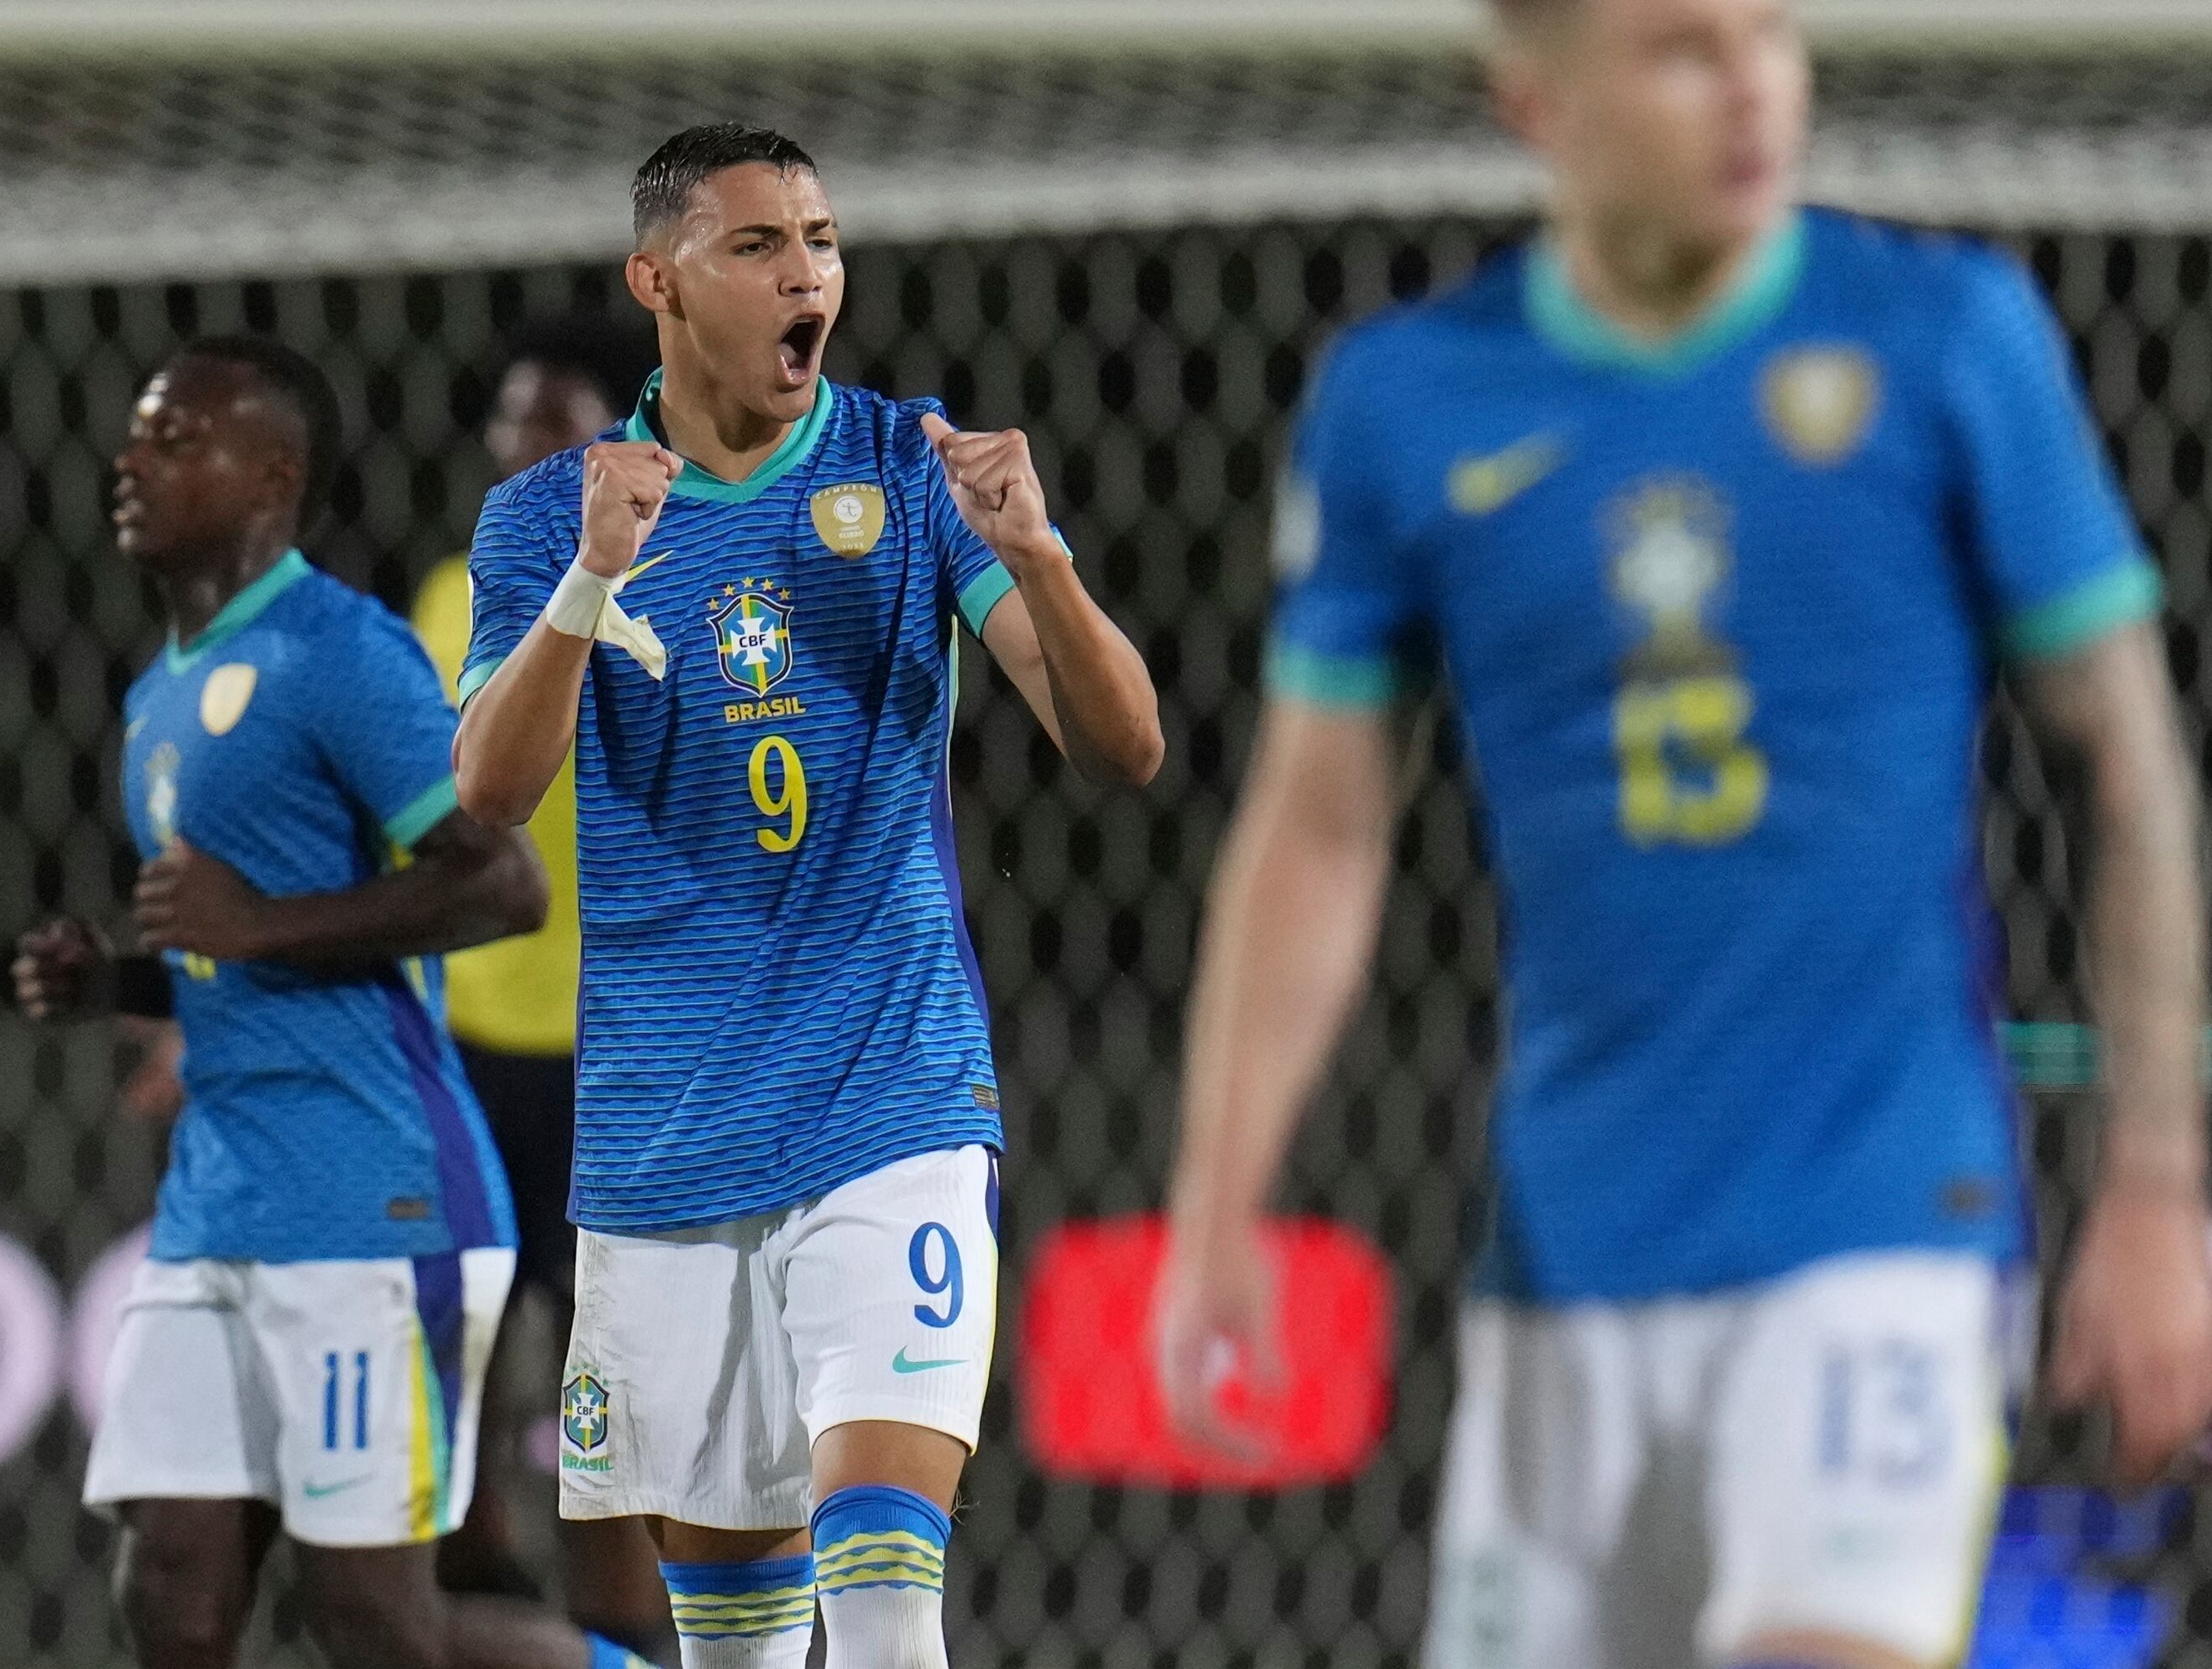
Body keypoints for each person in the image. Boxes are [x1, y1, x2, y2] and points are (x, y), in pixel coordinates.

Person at [1155, 2, 2212, 1667]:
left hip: (1882, 1221)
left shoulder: (1942, 337)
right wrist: (1214, 1206)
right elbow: (1318, 826)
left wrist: (2157, 1188)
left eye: (1772, 34)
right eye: (1678, 47)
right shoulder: (1408, 401)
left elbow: (2129, 761)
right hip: (1565, 1259)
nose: (1753, 91)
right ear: (1533, 102)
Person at [452, 125, 1163, 1669]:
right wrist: (590, 585)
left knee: (889, 1568)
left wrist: (1036, 557)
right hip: (668, 1135)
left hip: (887, 1101)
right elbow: (489, 795)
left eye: (822, 240)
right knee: (736, 1642)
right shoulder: (547, 522)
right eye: (761, 244)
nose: (809, 273)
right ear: (659, 280)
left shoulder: (909, 470)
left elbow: (1123, 741)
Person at [12, 334, 652, 1669]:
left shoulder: (345, 652)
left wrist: (258, 925)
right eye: (136, 436)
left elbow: (503, 885)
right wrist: (122, 982)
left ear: (273, 476)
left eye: (176, 439)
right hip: (219, 1195)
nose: (133, 461)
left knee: (373, 1618)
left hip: (378, 1188)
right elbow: (240, 951)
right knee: (170, 1588)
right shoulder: (160, 696)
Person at [410, 319, 676, 1657]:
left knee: (605, 1394)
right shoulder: (452, 595)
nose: (529, 446)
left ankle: (620, 1641)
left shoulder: (668, 591)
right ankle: (482, 1610)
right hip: (466, 1047)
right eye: (514, 424)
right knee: (449, 1361)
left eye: (559, 424)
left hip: (613, 1058)